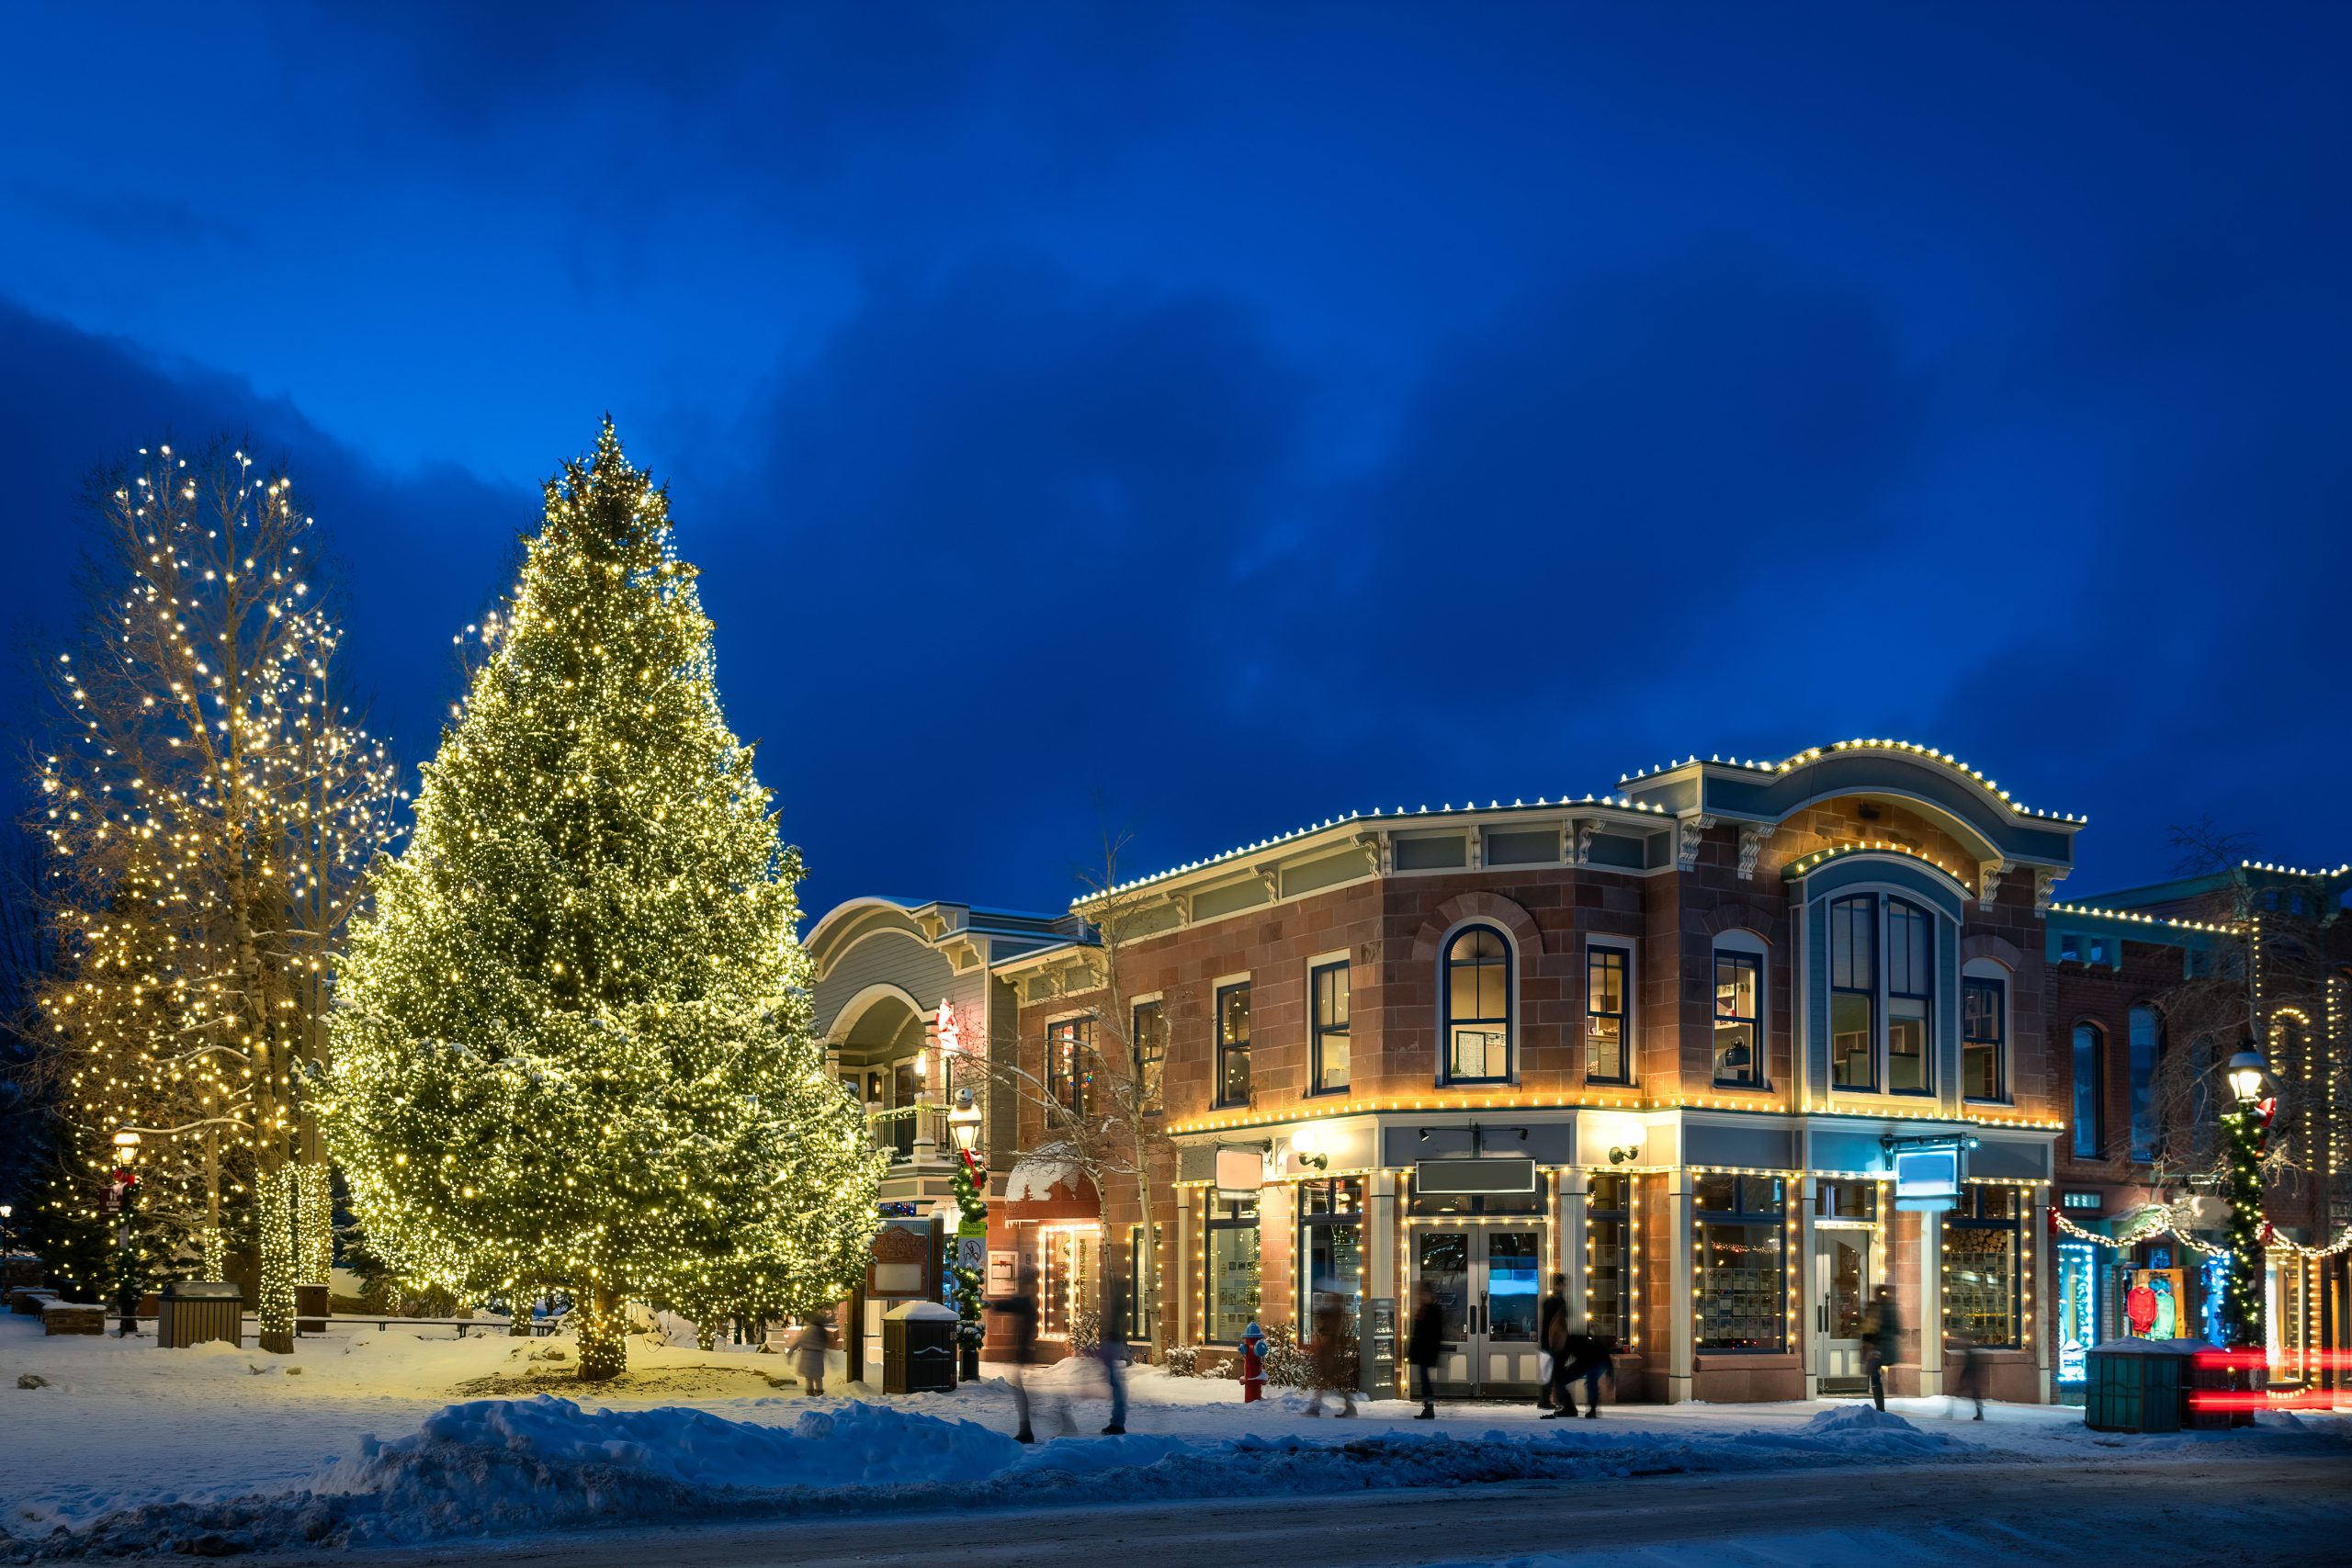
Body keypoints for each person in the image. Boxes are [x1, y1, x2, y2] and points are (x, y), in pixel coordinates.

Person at [989, 1264, 1065, 1442]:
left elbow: (1008, 1306)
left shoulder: (1027, 1303)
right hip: (1023, 1355)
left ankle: (1031, 1428)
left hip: (1024, 1355)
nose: (1021, 1286)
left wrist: (992, 1304)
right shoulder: (1028, 1302)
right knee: (1025, 1395)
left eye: (1023, 1283)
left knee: (1027, 1396)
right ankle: (1028, 1428)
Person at [1304, 1288, 1357, 1417]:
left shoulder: (1334, 1316)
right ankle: (1347, 1406)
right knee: (1331, 1380)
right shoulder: (1335, 1314)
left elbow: (1326, 1328)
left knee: (1327, 1379)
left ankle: (1315, 1407)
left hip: (1329, 1353)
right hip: (1329, 1352)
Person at [1406, 1280, 1446, 1419]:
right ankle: (1428, 1407)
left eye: (1423, 1293)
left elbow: (1435, 1333)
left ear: (1429, 1294)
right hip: (1422, 1350)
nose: (1421, 1296)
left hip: (1427, 1350)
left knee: (1425, 1380)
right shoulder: (1423, 1309)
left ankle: (1429, 1408)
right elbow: (1418, 1333)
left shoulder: (1432, 1310)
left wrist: (1432, 1350)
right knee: (1424, 1379)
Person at [1097, 1273, 1131, 1435]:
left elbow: (1119, 1325)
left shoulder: (1120, 1305)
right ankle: (1117, 1422)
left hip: (1114, 1345)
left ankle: (1117, 1423)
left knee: (1117, 1385)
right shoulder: (1120, 1305)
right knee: (1115, 1384)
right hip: (1113, 1344)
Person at [1860, 1284, 1901, 1413]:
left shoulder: (1883, 1309)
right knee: (1874, 1374)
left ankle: (1880, 1407)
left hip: (1879, 1347)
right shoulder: (1884, 1308)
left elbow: (1892, 1328)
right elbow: (1897, 1329)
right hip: (1879, 1347)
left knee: (1874, 1374)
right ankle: (1880, 1405)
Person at [1537, 1273, 1571, 1414]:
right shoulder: (1558, 1302)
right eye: (1563, 1284)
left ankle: (1545, 1400)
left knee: (1548, 1372)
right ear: (1558, 1285)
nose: (1564, 1287)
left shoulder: (1548, 1301)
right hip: (1554, 1342)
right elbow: (1559, 1324)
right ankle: (1554, 1400)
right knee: (1554, 1372)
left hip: (1546, 1341)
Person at [790, 1308, 832, 1397]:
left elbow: (799, 1342)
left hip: (806, 1355)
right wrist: (831, 1359)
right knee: (818, 1377)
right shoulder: (822, 1332)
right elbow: (826, 1345)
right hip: (818, 1356)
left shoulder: (808, 1330)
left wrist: (790, 1352)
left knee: (808, 1377)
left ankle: (810, 1393)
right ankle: (819, 1392)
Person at [1951, 1329, 1987, 1421]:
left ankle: (1950, 1412)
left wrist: (1963, 1377)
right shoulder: (1971, 1352)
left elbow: (1969, 1366)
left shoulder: (1969, 1353)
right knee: (1975, 1396)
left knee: (1972, 1395)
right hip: (1972, 1377)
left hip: (1971, 1377)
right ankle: (1979, 1414)